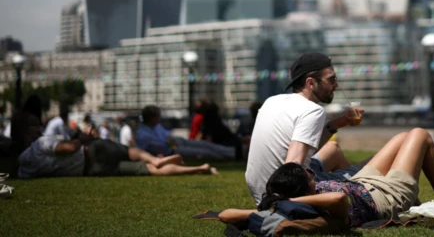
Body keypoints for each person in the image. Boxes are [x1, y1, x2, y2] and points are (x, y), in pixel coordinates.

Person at [221, 128, 434, 228]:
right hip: (385, 198)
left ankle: (428, 203)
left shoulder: (288, 201)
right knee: (420, 135)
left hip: (363, 183)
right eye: (308, 175)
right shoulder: (321, 204)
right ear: (306, 190)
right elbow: (339, 198)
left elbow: (224, 214)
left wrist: (278, 202)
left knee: (402, 137)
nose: (312, 174)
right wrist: (287, 203)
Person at [245, 52, 365, 205]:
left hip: (261, 190)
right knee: (370, 168)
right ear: (311, 83)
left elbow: (302, 150)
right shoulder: (312, 111)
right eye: (332, 79)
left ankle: (356, 192)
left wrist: (339, 123)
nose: (336, 85)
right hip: (284, 193)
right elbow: (292, 164)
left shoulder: (272, 101)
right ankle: (361, 191)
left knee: (332, 149)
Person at [18, 129, 217, 179]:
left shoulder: (24, 169)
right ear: (29, 138)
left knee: (145, 171)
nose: (39, 131)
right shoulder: (40, 143)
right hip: (92, 151)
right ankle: (156, 159)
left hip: (91, 170)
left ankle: (200, 168)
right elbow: (69, 148)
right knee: (131, 152)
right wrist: (83, 138)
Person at [135, 105, 235, 160]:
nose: (159, 118)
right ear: (152, 118)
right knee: (205, 152)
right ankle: (231, 156)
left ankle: (233, 151)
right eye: (158, 116)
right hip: (172, 151)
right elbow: (145, 151)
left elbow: (167, 136)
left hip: (177, 143)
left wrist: (172, 142)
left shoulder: (156, 126)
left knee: (205, 144)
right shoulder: (142, 134)